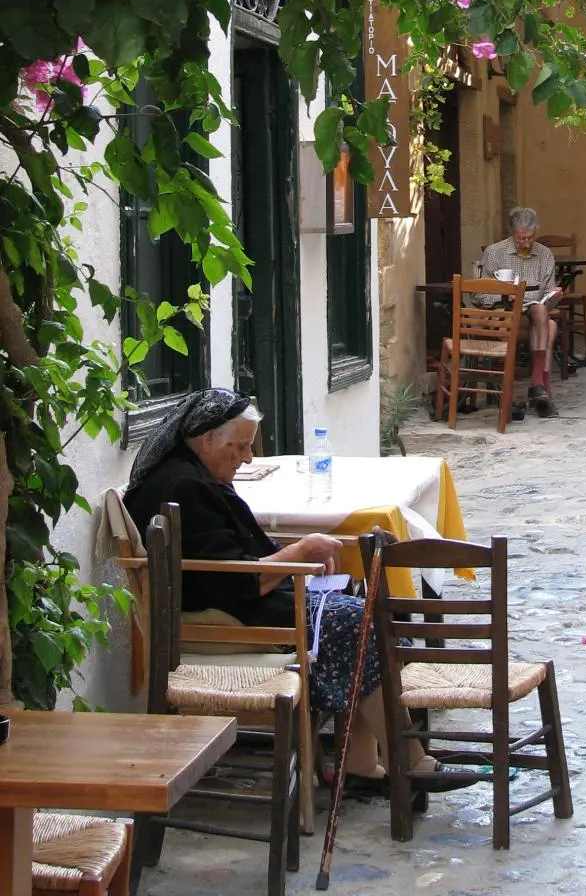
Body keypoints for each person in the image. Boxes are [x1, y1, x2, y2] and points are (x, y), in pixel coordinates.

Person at [124, 388, 475, 793]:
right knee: (362, 623)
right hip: (224, 617)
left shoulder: (191, 474)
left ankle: (362, 766)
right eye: (240, 446)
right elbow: (238, 582)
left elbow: (236, 560)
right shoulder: (185, 486)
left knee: (359, 607)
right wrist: (301, 551)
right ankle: (409, 762)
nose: (248, 458)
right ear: (207, 440)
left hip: (232, 603)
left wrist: (299, 555)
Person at [479, 206, 562, 417]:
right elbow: (480, 295)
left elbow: (547, 292)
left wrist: (553, 296)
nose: (526, 243)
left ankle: (537, 385)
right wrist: (504, 296)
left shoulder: (544, 254)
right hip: (503, 318)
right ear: (511, 233)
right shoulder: (494, 253)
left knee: (541, 311)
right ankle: (541, 388)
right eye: (521, 239)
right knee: (551, 326)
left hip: (533, 316)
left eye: (530, 238)